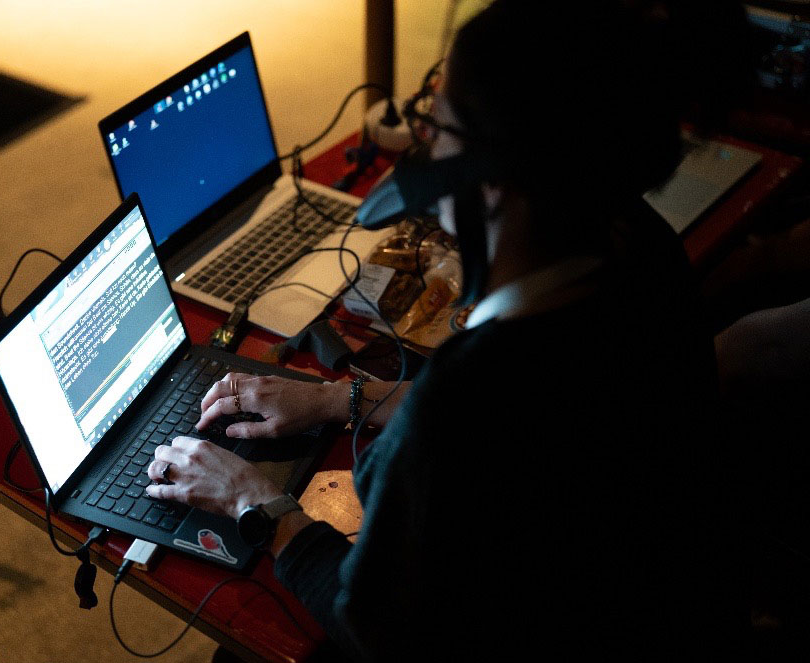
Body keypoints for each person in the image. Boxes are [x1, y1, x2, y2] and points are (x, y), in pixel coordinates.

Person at [145, 1, 754, 658]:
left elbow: (371, 624)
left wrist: (256, 500)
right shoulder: (645, 252)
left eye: (438, 127)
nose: (423, 149)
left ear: (491, 179)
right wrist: (332, 398)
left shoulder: (462, 406)